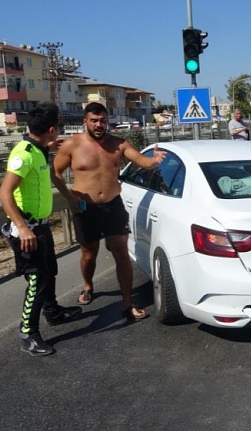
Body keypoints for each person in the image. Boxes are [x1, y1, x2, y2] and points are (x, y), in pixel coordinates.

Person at [52, 102, 166, 323]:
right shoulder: (72, 145)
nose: (98, 125)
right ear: (85, 121)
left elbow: (141, 161)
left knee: (121, 253)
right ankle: (88, 285)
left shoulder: (119, 144)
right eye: (94, 120)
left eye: (103, 120)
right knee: (88, 254)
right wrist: (69, 198)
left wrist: (153, 161)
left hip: (113, 205)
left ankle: (127, 303)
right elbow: (55, 172)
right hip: (85, 208)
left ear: (107, 121)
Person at [0, 102, 82, 356]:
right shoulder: (23, 154)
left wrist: (48, 146)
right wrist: (23, 228)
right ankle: (28, 334)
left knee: (49, 273)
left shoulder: (38, 149)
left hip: (41, 227)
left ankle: (53, 312)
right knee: (37, 281)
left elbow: (40, 151)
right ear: (52, 129)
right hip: (28, 230)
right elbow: (4, 193)